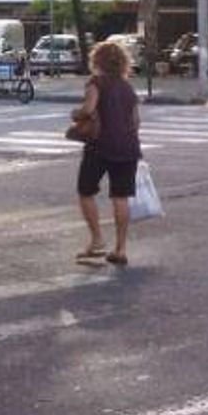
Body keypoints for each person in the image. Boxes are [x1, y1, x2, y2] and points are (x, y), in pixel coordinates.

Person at [73, 39, 142, 267]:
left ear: (98, 61)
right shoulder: (128, 87)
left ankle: (97, 240)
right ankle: (120, 249)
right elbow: (136, 122)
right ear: (122, 62)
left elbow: (89, 109)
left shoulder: (96, 83)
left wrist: (77, 113)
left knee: (86, 190)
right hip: (128, 147)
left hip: (100, 146)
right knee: (120, 197)